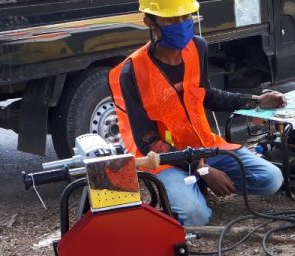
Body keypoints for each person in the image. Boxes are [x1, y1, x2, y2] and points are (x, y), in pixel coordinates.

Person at [108, 0, 285, 226]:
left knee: (271, 179)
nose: (181, 25)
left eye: (185, 17)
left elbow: (207, 95)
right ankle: (190, 186)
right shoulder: (132, 71)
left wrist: (255, 101)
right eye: (171, 19)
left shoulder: (197, 46)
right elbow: (148, 141)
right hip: (166, 159)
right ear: (149, 22)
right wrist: (202, 170)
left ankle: (196, 185)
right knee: (195, 216)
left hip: (204, 144)